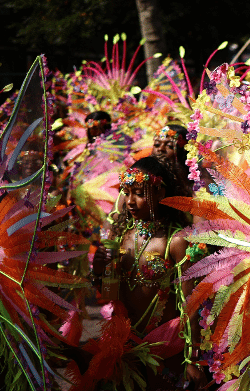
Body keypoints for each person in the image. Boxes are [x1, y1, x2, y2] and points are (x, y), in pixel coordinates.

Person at [87, 155, 204, 390]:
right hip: (126, 346)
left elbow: (191, 306)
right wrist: (99, 272)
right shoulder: (120, 237)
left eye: (139, 193)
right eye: (126, 192)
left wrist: (192, 359)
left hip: (166, 347)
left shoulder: (176, 240)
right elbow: (111, 294)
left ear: (160, 193)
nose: (130, 201)